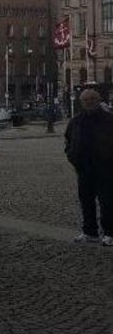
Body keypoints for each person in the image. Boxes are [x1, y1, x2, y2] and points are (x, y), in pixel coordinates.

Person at [65, 89, 113, 245]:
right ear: (82, 102)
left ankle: (110, 233)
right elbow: (68, 140)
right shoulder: (76, 121)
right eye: (86, 100)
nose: (89, 102)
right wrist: (72, 156)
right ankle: (89, 231)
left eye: (92, 99)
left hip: (105, 168)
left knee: (107, 202)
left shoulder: (109, 119)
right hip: (84, 168)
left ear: (98, 100)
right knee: (86, 201)